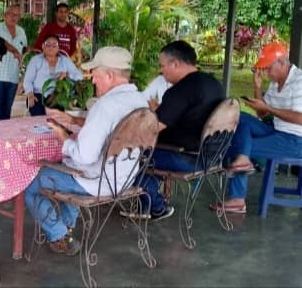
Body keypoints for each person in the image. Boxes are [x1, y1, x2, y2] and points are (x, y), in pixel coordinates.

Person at [25, 46, 148, 255]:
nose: (92, 80)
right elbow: (112, 130)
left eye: (95, 74)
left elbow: (85, 156)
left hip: (98, 182)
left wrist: (62, 135)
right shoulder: (140, 101)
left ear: (109, 75)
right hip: (126, 177)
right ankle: (66, 226)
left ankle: (59, 234)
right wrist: (76, 122)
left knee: (29, 182)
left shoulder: (105, 106)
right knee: (67, 167)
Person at [131, 40, 225, 220]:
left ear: (175, 63)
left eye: (163, 65)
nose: (161, 70)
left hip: (186, 158)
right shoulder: (214, 84)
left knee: (127, 155)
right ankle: (149, 198)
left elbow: (154, 127)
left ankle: (155, 207)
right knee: (145, 153)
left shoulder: (180, 90)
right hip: (213, 155)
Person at [211, 42, 302, 213]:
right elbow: (262, 114)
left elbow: (299, 118)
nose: (266, 73)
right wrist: (258, 88)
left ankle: (238, 199)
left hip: (296, 141)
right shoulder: (276, 82)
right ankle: (243, 160)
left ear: (282, 63)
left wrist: (269, 109)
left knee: (236, 146)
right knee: (238, 116)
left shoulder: (299, 81)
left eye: (268, 68)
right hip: (276, 130)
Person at [0, 5, 27, 122]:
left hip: (13, 77)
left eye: (17, 15)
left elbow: (23, 51)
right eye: (11, 14)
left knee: (6, 112)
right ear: (4, 15)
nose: (14, 17)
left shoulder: (21, 32)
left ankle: (2, 138)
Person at [23, 34, 82, 116]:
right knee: (39, 118)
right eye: (48, 44)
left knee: (56, 119)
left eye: (54, 45)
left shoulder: (65, 61)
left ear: (58, 48)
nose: (51, 47)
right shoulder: (35, 60)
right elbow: (28, 80)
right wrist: (30, 94)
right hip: (38, 95)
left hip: (57, 96)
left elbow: (79, 76)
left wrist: (67, 74)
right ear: (43, 46)